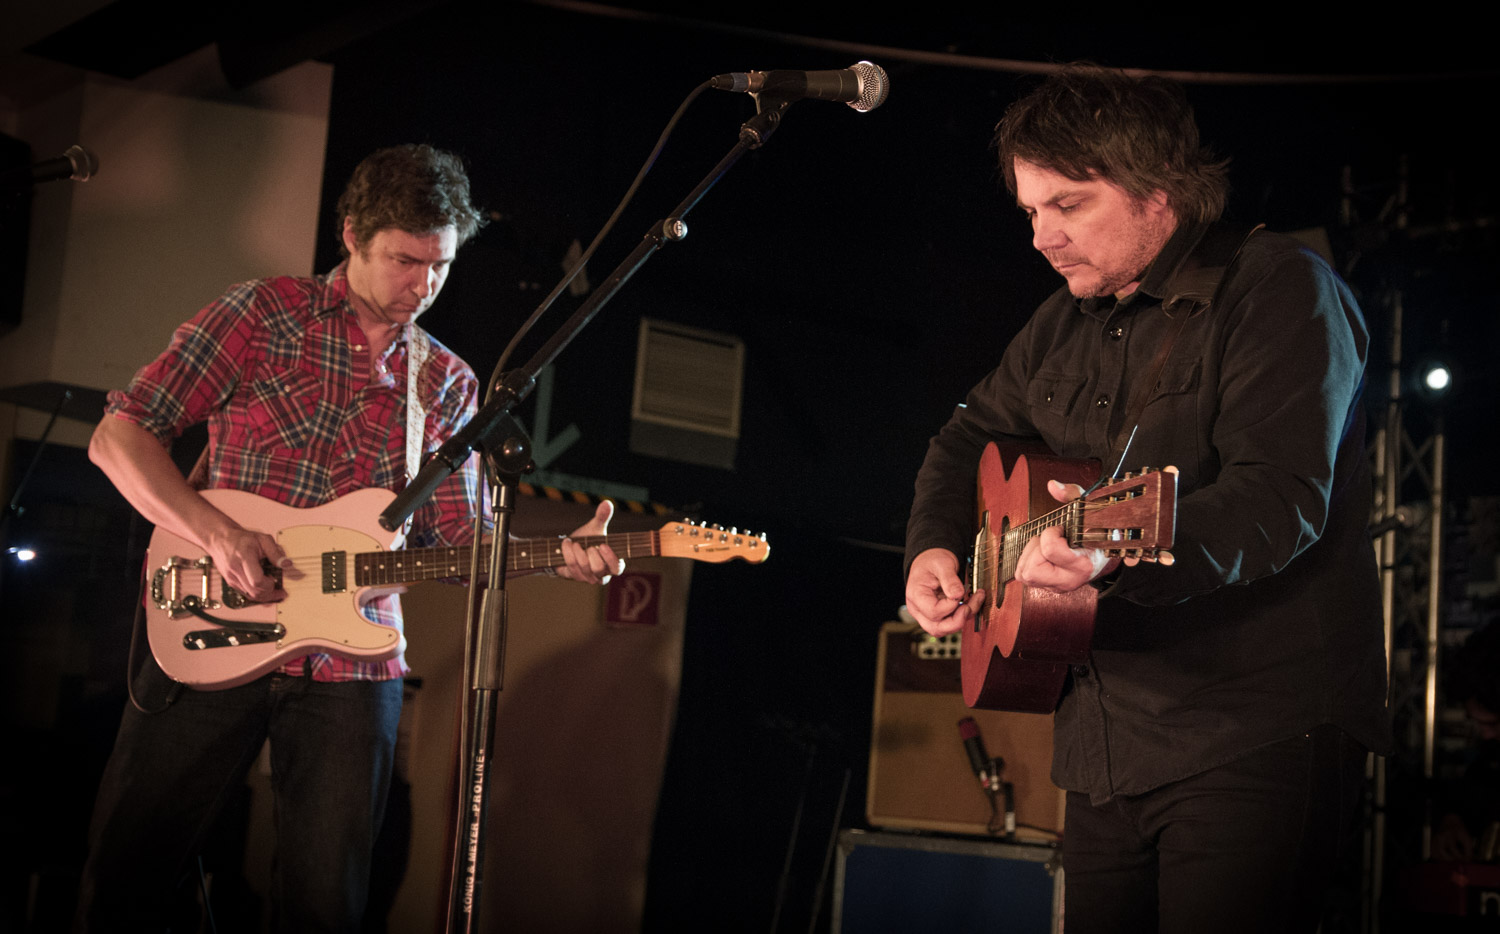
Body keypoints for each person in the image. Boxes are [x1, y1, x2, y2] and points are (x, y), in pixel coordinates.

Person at [73, 144, 623, 933]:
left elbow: (464, 544)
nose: (422, 285)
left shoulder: (448, 382)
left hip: (353, 666)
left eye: (440, 266)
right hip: (210, 627)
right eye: (404, 260)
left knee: (327, 905)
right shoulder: (261, 314)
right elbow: (119, 436)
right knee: (127, 876)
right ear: (350, 235)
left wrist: (554, 558)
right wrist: (219, 533)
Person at [903, 67, 1391, 933]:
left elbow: (1278, 498)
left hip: (1250, 731)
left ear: (1158, 190)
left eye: (1069, 204)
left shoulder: (1280, 290)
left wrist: (1108, 552)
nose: (1041, 237)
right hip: (1101, 746)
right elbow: (963, 439)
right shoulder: (1060, 322)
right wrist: (935, 547)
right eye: (1029, 211)